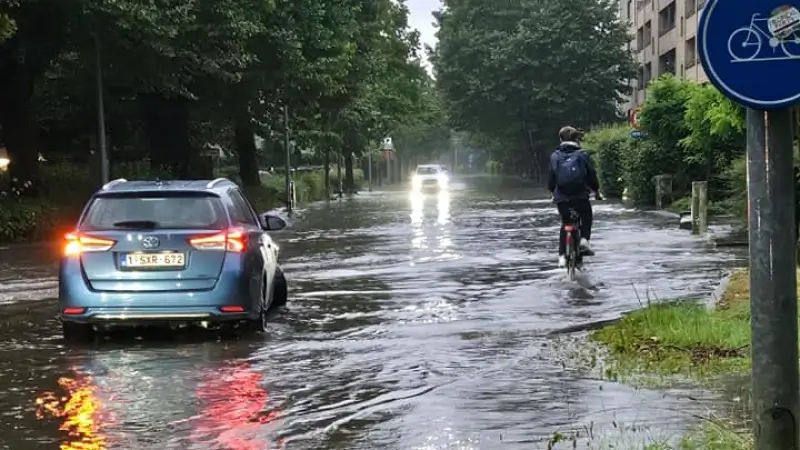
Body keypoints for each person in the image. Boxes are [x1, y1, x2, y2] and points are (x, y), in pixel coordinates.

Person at [548, 125, 602, 268]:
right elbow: (591, 175)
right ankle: (584, 240)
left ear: (560, 139)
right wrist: (596, 191)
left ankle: (561, 256)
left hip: (562, 198)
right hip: (580, 197)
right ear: (576, 139)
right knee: (586, 216)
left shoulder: (555, 156)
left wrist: (553, 193)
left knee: (565, 222)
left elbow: (551, 179)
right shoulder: (583, 155)